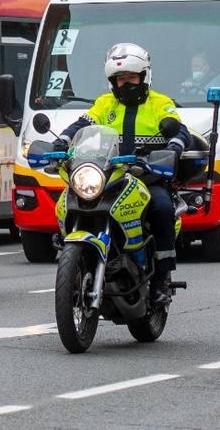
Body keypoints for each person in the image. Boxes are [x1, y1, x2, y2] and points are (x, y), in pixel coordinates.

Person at [54, 42, 190, 306]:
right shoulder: (105, 104)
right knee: (69, 199)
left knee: (161, 207)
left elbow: (180, 130)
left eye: (130, 78)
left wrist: (172, 148)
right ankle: (73, 256)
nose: (124, 84)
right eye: (119, 79)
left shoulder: (160, 103)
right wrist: (62, 140)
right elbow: (84, 123)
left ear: (144, 76)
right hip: (112, 174)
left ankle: (162, 277)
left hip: (148, 174)